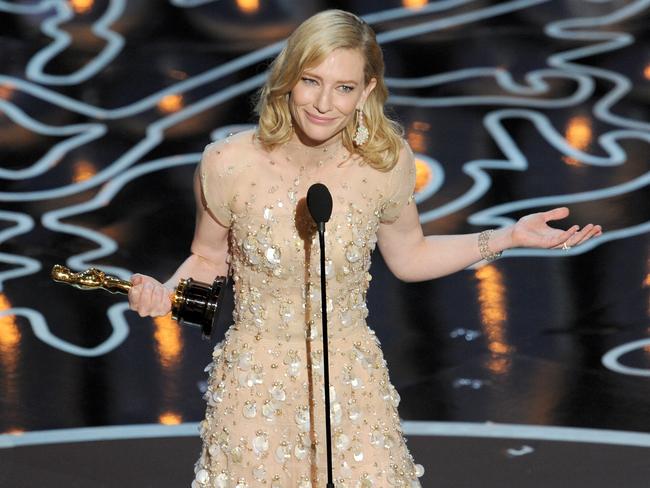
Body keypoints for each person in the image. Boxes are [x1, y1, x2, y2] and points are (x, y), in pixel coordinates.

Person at [127, 9, 602, 488]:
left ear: (367, 91)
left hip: (350, 379)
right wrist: (166, 295)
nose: (324, 103)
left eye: (344, 87)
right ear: (287, 76)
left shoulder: (384, 162)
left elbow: (410, 256)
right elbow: (209, 258)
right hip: (255, 385)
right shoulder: (228, 162)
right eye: (311, 80)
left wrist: (507, 237)